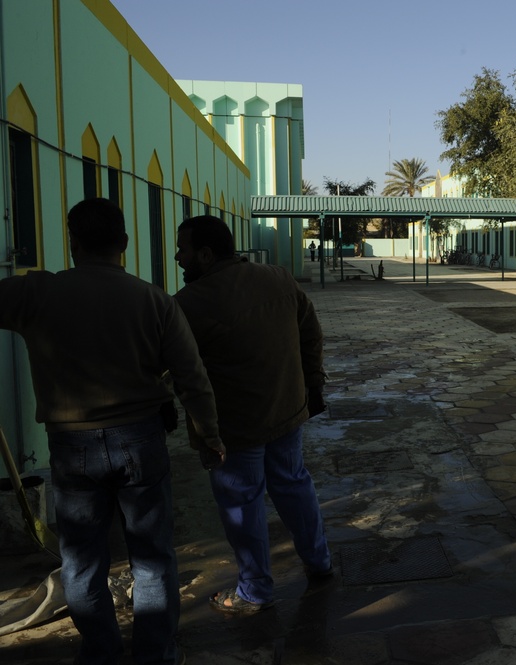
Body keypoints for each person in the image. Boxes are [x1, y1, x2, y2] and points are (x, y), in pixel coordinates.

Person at [0, 197, 223, 665]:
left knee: (81, 560)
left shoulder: (35, 294)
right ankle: (156, 654)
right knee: (152, 557)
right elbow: (192, 377)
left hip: (71, 447)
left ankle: (100, 651)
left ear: (73, 242)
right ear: (123, 244)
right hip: (139, 441)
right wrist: (209, 434)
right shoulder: (153, 299)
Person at [173, 215, 331, 616]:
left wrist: (206, 434)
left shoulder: (189, 303)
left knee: (243, 504)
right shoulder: (278, 278)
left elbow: (182, 374)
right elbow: (311, 333)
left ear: (206, 254)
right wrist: (312, 387)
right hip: (287, 410)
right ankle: (319, 562)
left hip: (235, 429)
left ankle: (255, 591)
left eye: (184, 249)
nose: (178, 257)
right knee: (294, 486)